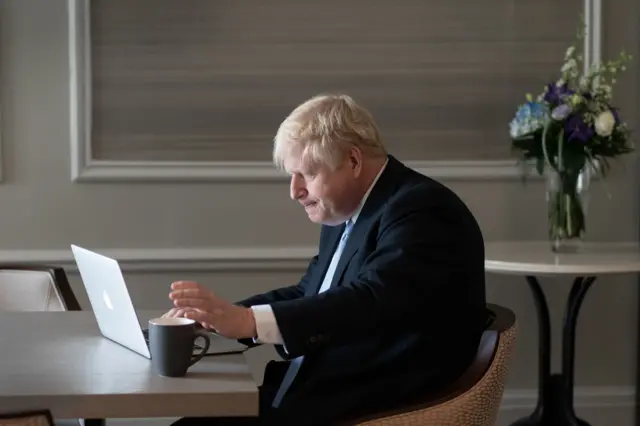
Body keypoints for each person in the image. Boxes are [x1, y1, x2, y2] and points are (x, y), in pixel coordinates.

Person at [165, 93, 488, 425]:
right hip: (317, 396)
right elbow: (311, 294)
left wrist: (248, 322)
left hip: (363, 408)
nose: (295, 191)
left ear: (352, 160)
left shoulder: (422, 210)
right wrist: (220, 319)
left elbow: (370, 301)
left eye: (306, 173)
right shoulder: (350, 211)